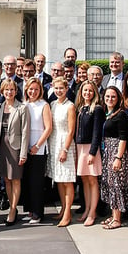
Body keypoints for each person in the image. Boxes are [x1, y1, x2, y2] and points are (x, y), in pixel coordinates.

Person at [0, 79, 30, 226]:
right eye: (6, 90)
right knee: (6, 179)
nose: (9, 92)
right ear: (2, 91)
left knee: (15, 179)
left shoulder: (22, 108)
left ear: (16, 91)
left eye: (12, 89)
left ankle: (13, 209)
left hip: (15, 147)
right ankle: (11, 205)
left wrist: (23, 153)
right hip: (1, 145)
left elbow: (25, 132)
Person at [99, 86, 128, 230]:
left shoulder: (121, 115)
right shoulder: (108, 113)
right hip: (107, 151)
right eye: (107, 96)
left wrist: (118, 157)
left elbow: (123, 138)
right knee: (109, 183)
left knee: (116, 184)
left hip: (116, 152)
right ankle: (113, 215)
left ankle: (117, 219)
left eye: (113, 96)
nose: (110, 99)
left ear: (118, 98)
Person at [46, 77, 77, 227]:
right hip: (54, 143)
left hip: (65, 143)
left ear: (67, 89)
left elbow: (71, 131)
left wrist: (65, 149)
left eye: (61, 88)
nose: (59, 91)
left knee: (67, 179)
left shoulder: (70, 106)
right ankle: (63, 208)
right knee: (58, 179)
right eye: (56, 88)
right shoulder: (52, 104)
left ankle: (67, 213)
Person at [21, 77, 52, 224]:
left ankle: (38, 213)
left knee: (37, 183)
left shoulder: (44, 105)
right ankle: (30, 210)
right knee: (27, 181)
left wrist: (37, 146)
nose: (33, 92)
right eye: (30, 89)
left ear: (40, 90)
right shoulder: (24, 104)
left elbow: (48, 128)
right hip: (25, 148)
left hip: (38, 149)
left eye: (36, 89)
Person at [74, 80, 104, 227]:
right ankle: (87, 209)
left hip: (90, 149)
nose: (87, 93)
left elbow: (97, 132)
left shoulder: (97, 109)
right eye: (85, 90)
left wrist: (92, 152)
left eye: (90, 91)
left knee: (92, 181)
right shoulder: (80, 108)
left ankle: (93, 212)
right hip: (80, 148)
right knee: (84, 180)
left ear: (95, 93)